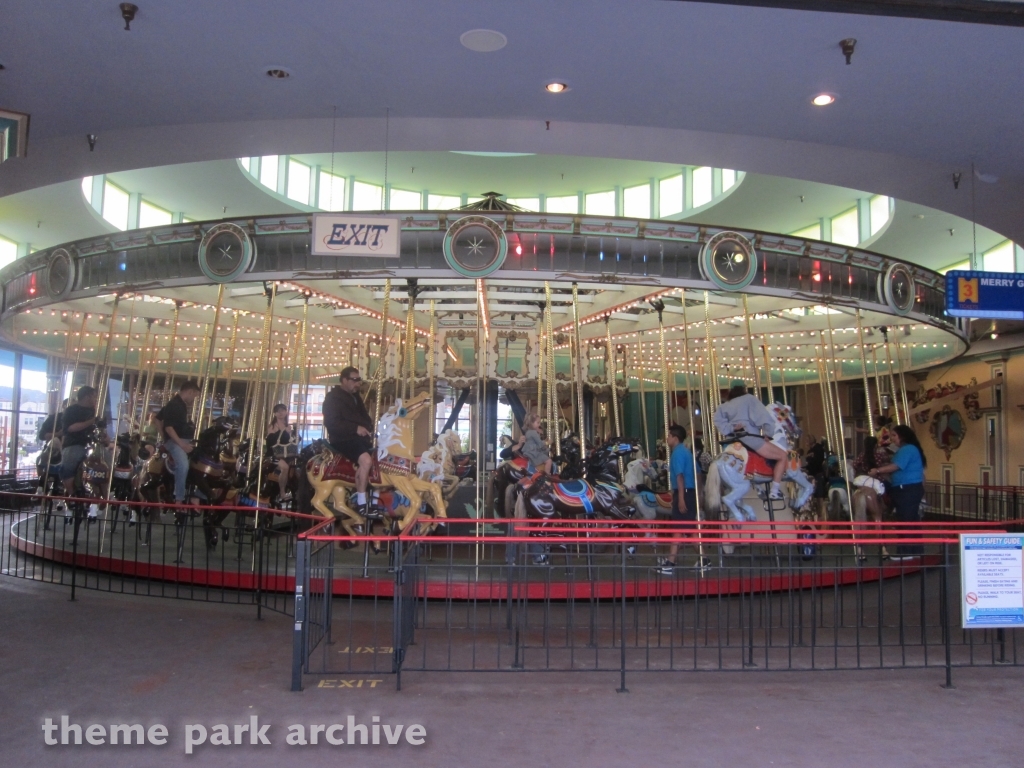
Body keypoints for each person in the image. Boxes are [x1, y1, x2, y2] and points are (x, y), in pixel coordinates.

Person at [713, 379, 787, 499]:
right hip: (749, 438)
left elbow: (718, 421)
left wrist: (731, 427)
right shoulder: (749, 399)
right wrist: (768, 433)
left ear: (731, 390)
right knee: (783, 455)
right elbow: (765, 417)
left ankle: (757, 484)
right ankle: (775, 491)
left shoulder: (724, 406)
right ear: (744, 389)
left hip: (731, 439)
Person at [322, 367, 375, 515]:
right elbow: (331, 423)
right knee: (366, 461)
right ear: (344, 380)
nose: (358, 383)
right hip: (342, 439)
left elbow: (365, 417)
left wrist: (367, 426)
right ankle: (362, 503)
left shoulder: (355, 397)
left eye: (359, 380)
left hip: (358, 439)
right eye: (354, 380)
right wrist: (355, 428)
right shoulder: (333, 398)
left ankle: (374, 497)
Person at [869, 424, 926, 559]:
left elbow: (896, 466)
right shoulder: (907, 450)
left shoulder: (907, 449)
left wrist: (877, 470)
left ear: (902, 436)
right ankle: (916, 551)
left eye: (894, 435)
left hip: (906, 488)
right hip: (907, 487)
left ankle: (905, 552)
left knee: (905, 520)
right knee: (911, 519)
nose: (892, 438)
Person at [658, 425, 708, 574]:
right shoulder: (686, 452)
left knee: (679, 528)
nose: (666, 439)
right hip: (689, 492)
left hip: (684, 492)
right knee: (690, 529)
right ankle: (704, 560)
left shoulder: (678, 453)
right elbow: (698, 473)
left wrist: (680, 498)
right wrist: (697, 494)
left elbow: (679, 476)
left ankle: (670, 562)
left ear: (675, 437)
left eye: (668, 436)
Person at [157, 380, 200, 506]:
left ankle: (195, 494)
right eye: (195, 396)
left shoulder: (179, 404)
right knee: (183, 465)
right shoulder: (175, 405)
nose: (194, 399)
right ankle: (179, 498)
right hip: (177, 442)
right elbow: (169, 428)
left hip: (182, 440)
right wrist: (179, 443)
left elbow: (157, 419)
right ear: (190, 391)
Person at [59, 386, 100, 497]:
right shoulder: (71, 410)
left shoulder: (94, 410)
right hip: (75, 443)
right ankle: (72, 493)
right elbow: (70, 428)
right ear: (87, 397)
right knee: (69, 465)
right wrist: (91, 421)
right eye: (94, 396)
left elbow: (99, 429)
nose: (96, 399)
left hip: (92, 443)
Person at [266, 403, 292, 502]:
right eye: (278, 411)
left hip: (285, 453)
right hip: (273, 454)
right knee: (285, 467)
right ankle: (282, 492)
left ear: (286, 412)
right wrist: (284, 432)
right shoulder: (272, 426)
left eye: (282, 410)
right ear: (275, 414)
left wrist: (293, 434)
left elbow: (291, 440)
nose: (280, 413)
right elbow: (271, 441)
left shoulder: (287, 426)